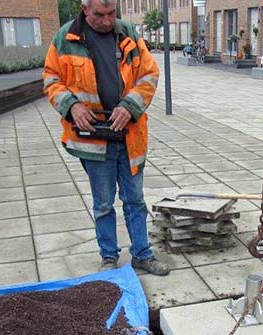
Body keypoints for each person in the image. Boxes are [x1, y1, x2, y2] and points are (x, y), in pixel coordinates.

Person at [43, 0, 169, 276]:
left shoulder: (128, 34)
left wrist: (129, 106)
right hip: (93, 138)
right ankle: (109, 257)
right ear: (85, 9)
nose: (107, 20)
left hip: (129, 134)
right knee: (103, 203)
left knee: (135, 199)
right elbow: (51, 78)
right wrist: (72, 106)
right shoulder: (65, 39)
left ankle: (142, 254)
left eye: (112, 13)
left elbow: (148, 74)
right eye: (99, 15)